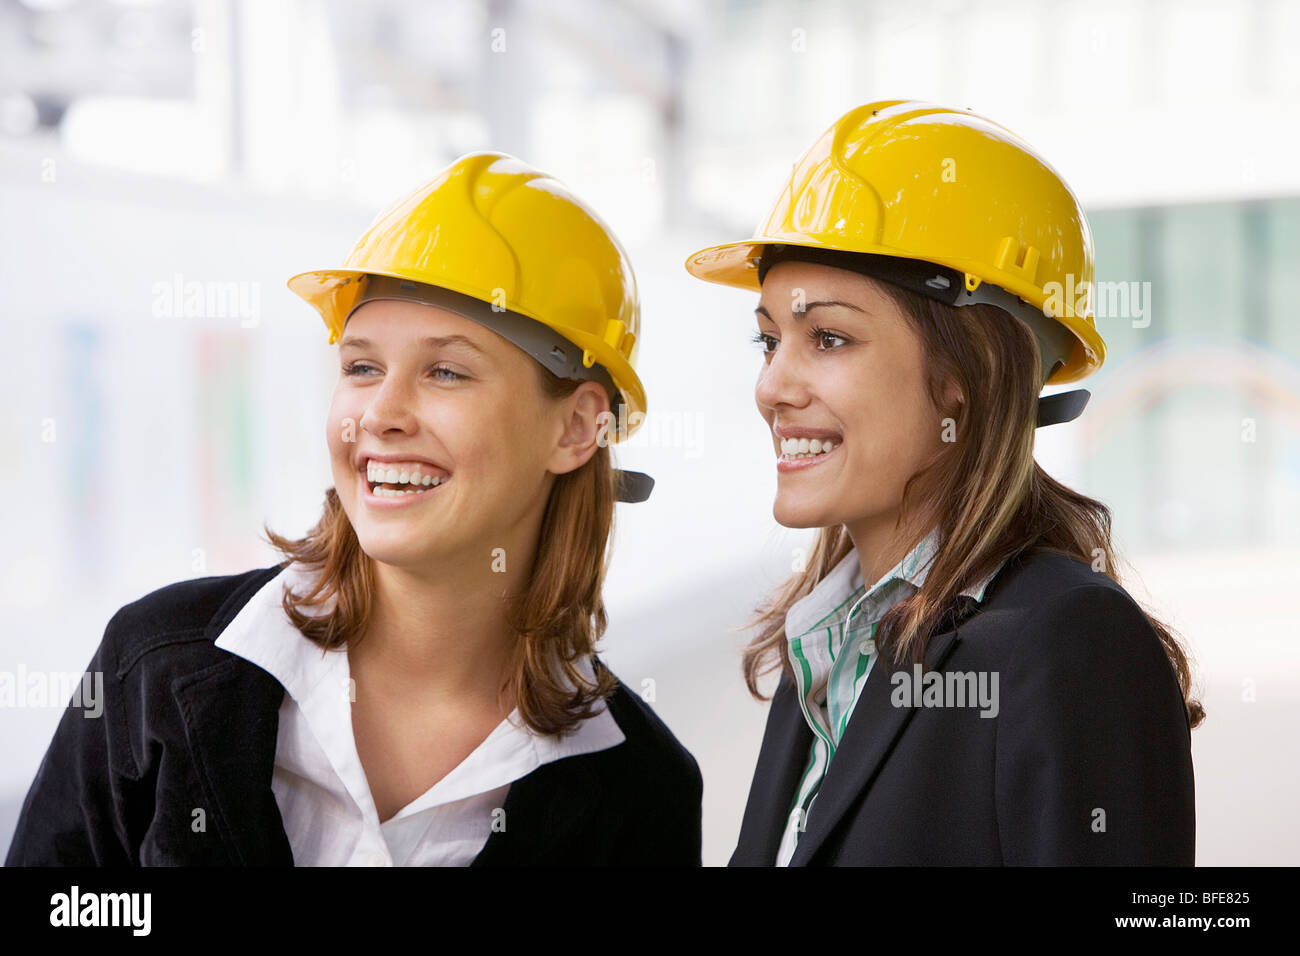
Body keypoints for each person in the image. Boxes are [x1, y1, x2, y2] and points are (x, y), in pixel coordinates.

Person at [7, 151, 702, 866]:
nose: (381, 414)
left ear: (577, 428)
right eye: (361, 367)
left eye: (446, 371)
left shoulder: (640, 793)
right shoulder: (155, 669)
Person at [685, 100, 1200, 866]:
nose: (772, 387)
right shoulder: (827, 646)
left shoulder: (1070, 646)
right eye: (768, 340)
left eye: (828, 337)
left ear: (970, 375)